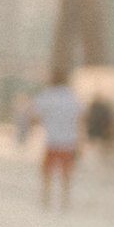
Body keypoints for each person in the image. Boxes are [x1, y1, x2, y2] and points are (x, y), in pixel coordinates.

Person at [34, 71, 82, 209]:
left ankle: (46, 201)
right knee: (66, 175)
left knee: (47, 173)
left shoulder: (48, 95)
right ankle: (65, 202)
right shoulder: (72, 96)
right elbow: (80, 119)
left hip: (52, 140)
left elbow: (36, 114)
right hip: (69, 141)